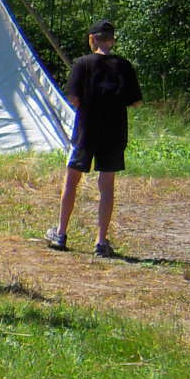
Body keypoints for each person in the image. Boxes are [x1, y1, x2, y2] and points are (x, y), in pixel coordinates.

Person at [48, 19, 143, 258]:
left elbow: (73, 98)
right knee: (106, 186)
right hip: (114, 132)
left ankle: (61, 233)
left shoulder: (82, 64)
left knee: (71, 181)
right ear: (112, 40)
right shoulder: (124, 66)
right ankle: (100, 241)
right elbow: (136, 101)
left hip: (86, 131)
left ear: (92, 39)